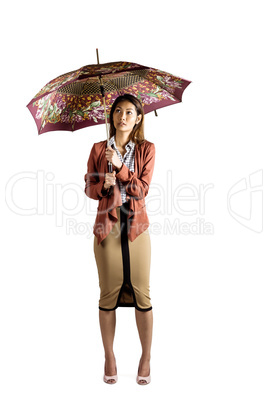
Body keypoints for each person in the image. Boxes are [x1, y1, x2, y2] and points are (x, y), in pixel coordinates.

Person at [84, 94, 156, 385]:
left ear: (138, 118)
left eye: (129, 112)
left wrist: (122, 169)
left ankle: (146, 357)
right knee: (108, 293)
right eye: (117, 111)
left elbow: (142, 189)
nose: (122, 116)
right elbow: (89, 187)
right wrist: (104, 184)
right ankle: (109, 356)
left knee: (142, 293)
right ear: (111, 116)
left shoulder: (146, 149)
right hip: (107, 227)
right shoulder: (99, 148)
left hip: (137, 227)